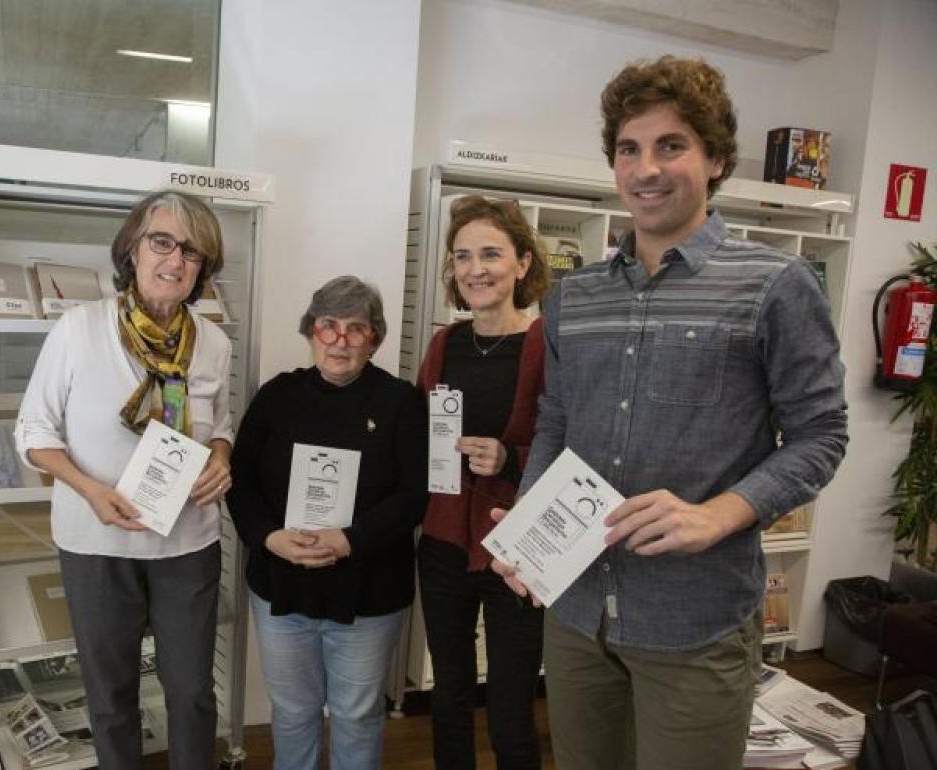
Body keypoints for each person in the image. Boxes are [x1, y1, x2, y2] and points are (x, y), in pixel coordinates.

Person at [490, 56, 848, 770]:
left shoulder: (773, 286)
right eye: (629, 149)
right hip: (578, 612)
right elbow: (557, 422)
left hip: (696, 621)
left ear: (715, 159)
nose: (646, 168)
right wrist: (528, 529)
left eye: (671, 145)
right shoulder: (574, 298)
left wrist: (722, 512)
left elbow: (822, 436)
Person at [15, 190, 234, 770]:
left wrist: (220, 456)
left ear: (202, 269)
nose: (176, 260)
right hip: (96, 543)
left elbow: (222, 423)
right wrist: (91, 491)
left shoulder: (213, 344)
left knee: (191, 692)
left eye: (192, 252)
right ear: (131, 251)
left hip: (188, 541)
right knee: (111, 696)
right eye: (162, 242)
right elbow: (34, 433)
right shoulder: (79, 329)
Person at [226, 276, 426, 770]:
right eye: (329, 326)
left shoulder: (401, 402)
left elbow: (414, 496)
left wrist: (349, 541)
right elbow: (240, 477)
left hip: (368, 591)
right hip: (282, 587)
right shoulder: (278, 395)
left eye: (356, 329)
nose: (340, 340)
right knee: (292, 712)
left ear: (374, 338)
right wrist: (269, 538)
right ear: (311, 330)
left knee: (356, 714)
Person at [416, 195, 550, 770]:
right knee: (448, 696)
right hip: (444, 543)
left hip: (516, 549)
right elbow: (419, 431)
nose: (475, 268)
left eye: (491, 254)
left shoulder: (548, 345)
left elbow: (571, 445)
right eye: (463, 256)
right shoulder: (445, 343)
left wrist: (510, 458)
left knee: (510, 709)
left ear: (522, 263)